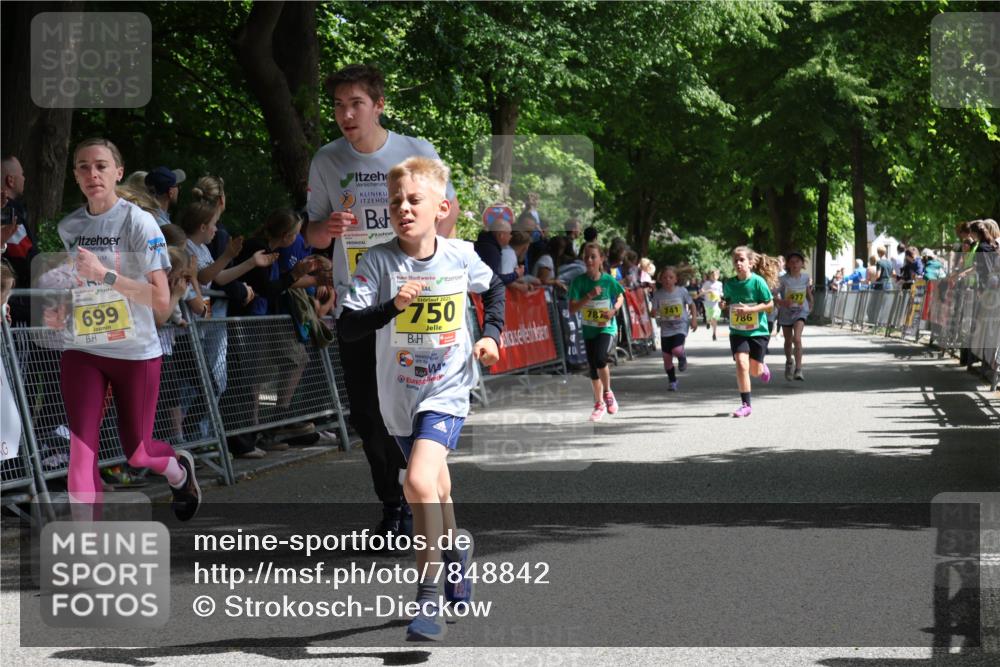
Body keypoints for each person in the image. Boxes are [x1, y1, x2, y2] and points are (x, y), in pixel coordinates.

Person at [338, 156, 504, 641]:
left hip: (448, 387)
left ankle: (427, 598)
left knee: (415, 482)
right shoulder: (377, 261)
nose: (403, 209)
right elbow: (347, 326)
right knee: (437, 490)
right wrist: (393, 306)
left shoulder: (460, 255)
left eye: (414, 200)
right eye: (395, 203)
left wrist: (491, 335)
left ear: (441, 208)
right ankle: (456, 550)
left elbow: (495, 291)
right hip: (399, 397)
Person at [304, 64, 459, 538]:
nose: (346, 114)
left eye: (356, 104)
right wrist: (326, 231)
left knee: (414, 409)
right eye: (338, 105)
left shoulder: (416, 151)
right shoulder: (326, 161)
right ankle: (392, 505)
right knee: (368, 416)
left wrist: (426, 268)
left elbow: (448, 219)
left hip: (414, 303)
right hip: (362, 307)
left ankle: (420, 493)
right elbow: (310, 233)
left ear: (378, 106)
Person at [55, 137, 200, 520]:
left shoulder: (139, 221)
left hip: (134, 350)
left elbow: (160, 301)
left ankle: (177, 471)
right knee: (81, 450)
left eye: (101, 165)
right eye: (83, 167)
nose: (92, 174)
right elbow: (79, 285)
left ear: (118, 172)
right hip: (84, 349)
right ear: (74, 175)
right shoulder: (70, 226)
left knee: (138, 452)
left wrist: (104, 275)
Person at [568, 242, 625, 422]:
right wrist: (589, 296)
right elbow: (572, 309)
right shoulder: (579, 282)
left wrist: (614, 310)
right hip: (589, 329)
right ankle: (599, 404)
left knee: (600, 358)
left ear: (601, 259)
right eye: (586, 256)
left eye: (593, 256)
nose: (589, 260)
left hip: (607, 327)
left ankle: (608, 393)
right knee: (593, 367)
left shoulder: (608, 280)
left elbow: (621, 296)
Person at [721, 246, 774, 418]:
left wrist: (751, 310)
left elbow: (769, 305)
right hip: (738, 331)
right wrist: (724, 306)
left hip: (758, 332)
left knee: (754, 371)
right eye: (735, 260)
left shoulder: (758, 282)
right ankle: (746, 405)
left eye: (742, 259)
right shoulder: (729, 284)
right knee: (741, 364)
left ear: (750, 263)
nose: (738, 263)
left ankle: (762, 368)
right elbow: (727, 302)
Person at [2, 155, 38, 326]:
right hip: (15, 299)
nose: (24, 178)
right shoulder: (10, 212)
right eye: (22, 174)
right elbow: (25, 254)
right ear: (10, 180)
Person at [650, 266, 697, 391]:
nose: (667, 280)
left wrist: (693, 319)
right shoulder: (658, 294)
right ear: (660, 280)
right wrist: (653, 313)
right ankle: (672, 381)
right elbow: (653, 311)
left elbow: (691, 305)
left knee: (676, 349)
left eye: (670, 277)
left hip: (680, 325)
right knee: (667, 360)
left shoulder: (681, 291)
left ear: (676, 279)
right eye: (665, 278)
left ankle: (682, 356)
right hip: (666, 328)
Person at [776, 251, 813, 381]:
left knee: (797, 338)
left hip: (801, 311)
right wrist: (782, 302)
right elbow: (773, 296)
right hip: (786, 313)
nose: (795, 264)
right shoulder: (782, 280)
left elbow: (808, 292)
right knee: (787, 340)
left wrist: (811, 304)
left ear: (802, 264)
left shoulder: (805, 278)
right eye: (792, 261)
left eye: (798, 261)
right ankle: (788, 362)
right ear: (788, 265)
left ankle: (798, 369)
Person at [699, 269, 723, 341]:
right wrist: (707, 291)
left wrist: (720, 296)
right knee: (709, 317)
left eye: (715, 275)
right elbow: (701, 291)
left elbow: (721, 293)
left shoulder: (719, 284)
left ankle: (714, 334)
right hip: (708, 303)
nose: (714, 276)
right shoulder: (707, 283)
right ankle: (708, 321)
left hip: (716, 303)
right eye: (712, 275)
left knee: (714, 318)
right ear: (710, 276)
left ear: (718, 276)